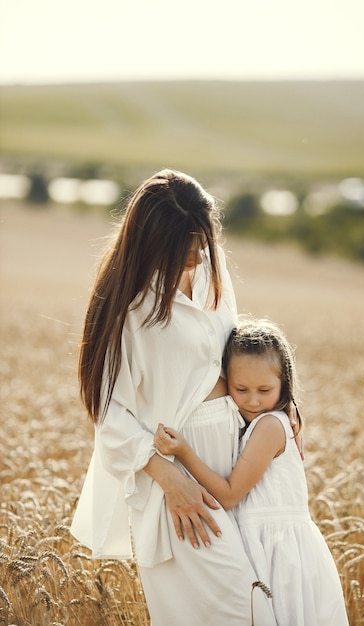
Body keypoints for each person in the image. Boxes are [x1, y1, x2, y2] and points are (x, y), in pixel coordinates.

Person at [70, 169, 277, 625]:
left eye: (199, 245)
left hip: (236, 469)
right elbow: (109, 413)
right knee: (245, 612)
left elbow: (237, 357)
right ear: (149, 243)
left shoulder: (211, 266)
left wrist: (281, 409)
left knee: (265, 598)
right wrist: (169, 479)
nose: (194, 258)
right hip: (181, 481)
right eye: (181, 251)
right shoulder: (127, 306)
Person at [155, 317, 350, 626]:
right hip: (264, 544)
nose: (253, 400)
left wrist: (183, 452)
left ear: (284, 384)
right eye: (241, 389)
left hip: (280, 556)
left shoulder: (270, 426)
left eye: (265, 389)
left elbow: (230, 495)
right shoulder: (261, 422)